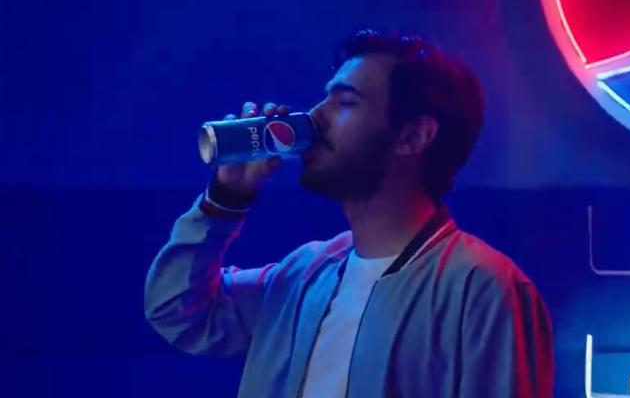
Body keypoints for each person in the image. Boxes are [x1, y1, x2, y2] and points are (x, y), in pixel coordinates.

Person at [144, 29, 554, 398]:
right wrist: (227, 197)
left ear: (413, 136)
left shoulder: (482, 289)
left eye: (345, 102)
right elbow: (178, 311)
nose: (315, 116)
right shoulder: (304, 274)